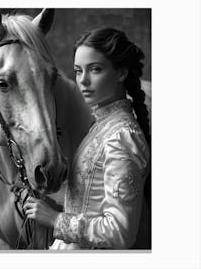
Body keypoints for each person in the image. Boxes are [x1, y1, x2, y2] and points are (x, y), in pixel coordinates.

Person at [23, 27, 151, 249]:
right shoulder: (103, 127)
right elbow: (90, 199)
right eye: (78, 70)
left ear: (121, 73)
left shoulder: (121, 136)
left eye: (95, 69)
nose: (83, 81)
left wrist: (55, 219)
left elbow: (120, 233)